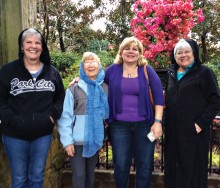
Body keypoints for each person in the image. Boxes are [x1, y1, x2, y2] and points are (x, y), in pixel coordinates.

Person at [0, 28, 65, 188]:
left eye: (37, 42)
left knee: (37, 178)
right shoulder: (8, 71)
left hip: (42, 135)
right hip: (14, 135)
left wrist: (51, 116)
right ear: (22, 46)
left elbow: (60, 98)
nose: (33, 46)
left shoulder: (52, 72)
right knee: (20, 179)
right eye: (28, 42)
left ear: (42, 47)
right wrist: (14, 120)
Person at [104, 36, 164, 188]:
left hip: (144, 125)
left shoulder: (147, 71)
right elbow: (93, 81)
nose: (131, 51)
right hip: (118, 126)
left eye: (135, 49)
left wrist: (157, 122)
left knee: (144, 166)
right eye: (127, 48)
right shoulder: (112, 70)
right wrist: (79, 79)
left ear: (140, 53)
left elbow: (159, 99)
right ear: (121, 52)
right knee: (121, 165)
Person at [164, 38, 220, 188]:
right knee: (172, 168)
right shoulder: (171, 73)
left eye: (187, 51)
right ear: (175, 56)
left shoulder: (204, 72)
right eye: (179, 52)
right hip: (173, 131)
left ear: (194, 53)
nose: (183, 55)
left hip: (194, 131)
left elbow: (215, 100)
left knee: (193, 170)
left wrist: (201, 123)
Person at [58, 52, 109, 188]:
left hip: (94, 140)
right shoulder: (74, 89)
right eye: (87, 62)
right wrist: (67, 141)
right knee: (79, 175)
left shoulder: (104, 88)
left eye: (94, 62)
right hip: (77, 142)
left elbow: (107, 114)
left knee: (90, 175)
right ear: (82, 66)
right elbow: (65, 117)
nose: (91, 65)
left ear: (99, 66)